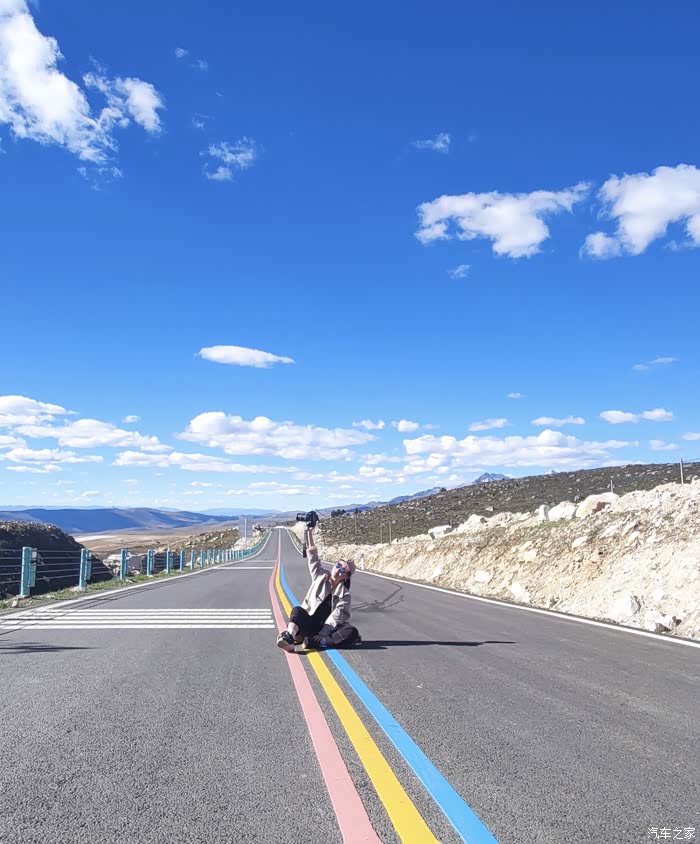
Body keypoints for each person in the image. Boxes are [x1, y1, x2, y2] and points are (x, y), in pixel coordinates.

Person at [277, 524, 360, 652]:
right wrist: (309, 532)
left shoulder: (344, 595)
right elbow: (313, 556)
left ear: (346, 577)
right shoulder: (320, 576)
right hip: (308, 623)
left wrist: (323, 634)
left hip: (327, 629)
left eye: (343, 570)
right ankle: (289, 637)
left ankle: (317, 642)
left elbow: (337, 617)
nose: (339, 570)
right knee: (297, 611)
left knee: (351, 632)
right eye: (338, 565)